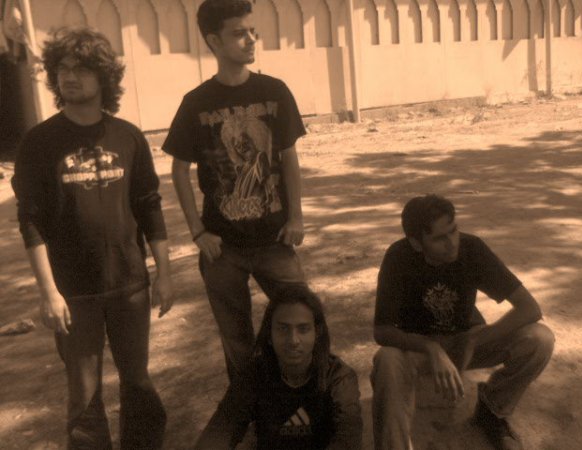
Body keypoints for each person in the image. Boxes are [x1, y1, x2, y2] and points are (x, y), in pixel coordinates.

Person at [12, 27, 174, 449]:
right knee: (84, 395)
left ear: (104, 77)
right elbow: (30, 221)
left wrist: (164, 274)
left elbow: (149, 206)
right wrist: (48, 293)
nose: (70, 76)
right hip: (73, 295)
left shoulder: (128, 137)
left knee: (137, 381)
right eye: (63, 68)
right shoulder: (39, 143)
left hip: (130, 285)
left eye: (82, 69)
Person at [163, 0, 306, 381]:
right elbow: (178, 169)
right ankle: (249, 405)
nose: (251, 39)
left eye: (252, 31)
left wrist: (296, 216)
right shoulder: (196, 104)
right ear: (214, 40)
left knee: (302, 321)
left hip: (275, 239)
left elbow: (289, 157)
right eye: (239, 33)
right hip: (222, 248)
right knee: (237, 342)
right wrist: (197, 232)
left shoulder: (274, 91)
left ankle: (304, 396)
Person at [371, 194, 554, 450]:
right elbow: (382, 331)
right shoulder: (398, 257)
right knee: (387, 360)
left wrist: (475, 338)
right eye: (439, 238)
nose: (452, 243)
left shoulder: (472, 249)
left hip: (466, 339)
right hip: (418, 349)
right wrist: (431, 348)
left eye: (454, 230)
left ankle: (492, 409)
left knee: (540, 339)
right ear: (416, 243)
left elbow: (530, 308)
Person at [195, 284, 363, 450]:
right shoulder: (254, 375)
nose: (293, 340)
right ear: (269, 334)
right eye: (283, 329)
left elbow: (348, 439)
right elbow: (220, 430)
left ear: (317, 333)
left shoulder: (339, 377)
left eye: (303, 329)